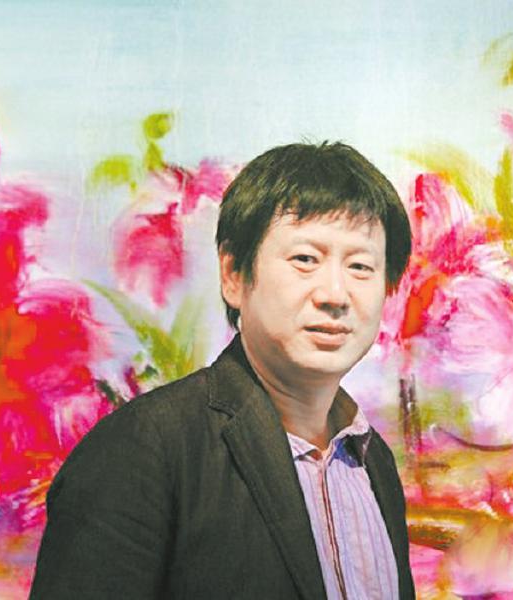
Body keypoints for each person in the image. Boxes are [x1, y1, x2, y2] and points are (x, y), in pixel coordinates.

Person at [30, 142, 415, 599]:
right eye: (305, 259)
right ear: (233, 274)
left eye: (361, 266)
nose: (334, 294)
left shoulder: (372, 460)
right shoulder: (142, 449)